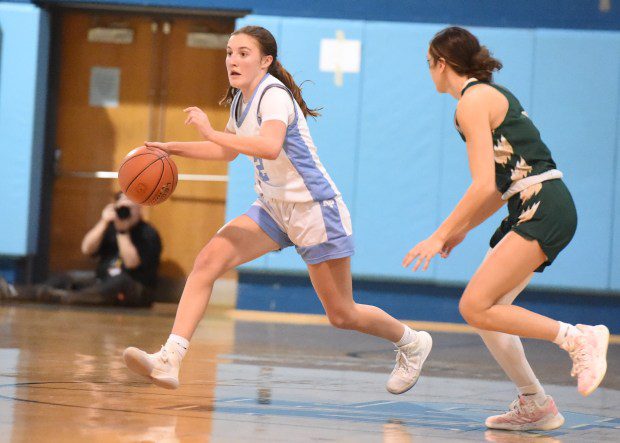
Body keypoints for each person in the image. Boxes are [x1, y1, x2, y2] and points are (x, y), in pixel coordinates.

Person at [122, 25, 432, 394]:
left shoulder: (274, 95)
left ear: (265, 60)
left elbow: (268, 147)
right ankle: (170, 358)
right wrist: (170, 148)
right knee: (207, 263)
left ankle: (412, 342)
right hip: (273, 207)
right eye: (228, 52)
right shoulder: (241, 99)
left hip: (313, 208)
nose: (232, 60)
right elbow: (227, 151)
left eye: (243, 53)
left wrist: (209, 131)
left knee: (342, 314)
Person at [403, 26, 609, 431]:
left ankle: (577, 338)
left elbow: (481, 185)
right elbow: (500, 187)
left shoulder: (471, 102)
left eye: (429, 64)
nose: (429, 72)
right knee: (486, 313)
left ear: (442, 64)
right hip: (532, 202)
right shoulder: (488, 96)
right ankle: (537, 404)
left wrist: (439, 234)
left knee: (474, 306)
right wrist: (463, 228)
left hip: (542, 205)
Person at [0, 192, 161, 307]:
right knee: (68, 276)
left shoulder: (148, 233)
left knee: (119, 281)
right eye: (122, 207)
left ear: (140, 209)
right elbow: (87, 249)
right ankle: (13, 291)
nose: (126, 212)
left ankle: (66, 298)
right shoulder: (111, 226)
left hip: (136, 288)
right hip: (102, 280)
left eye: (131, 208)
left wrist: (123, 232)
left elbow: (131, 264)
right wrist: (104, 222)